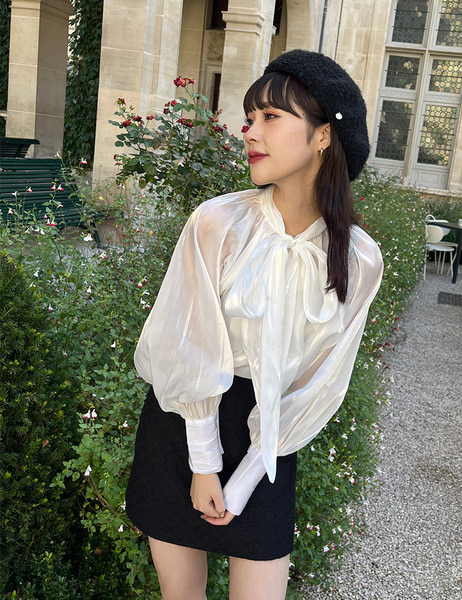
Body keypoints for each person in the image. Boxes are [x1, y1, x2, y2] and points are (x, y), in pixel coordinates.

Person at [125, 49, 384, 600]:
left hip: (271, 440)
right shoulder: (218, 223)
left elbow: (319, 381)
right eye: (249, 118)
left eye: (270, 116)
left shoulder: (359, 259)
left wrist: (244, 478)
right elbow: (186, 345)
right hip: (186, 421)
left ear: (322, 136)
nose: (250, 132)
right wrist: (204, 464)